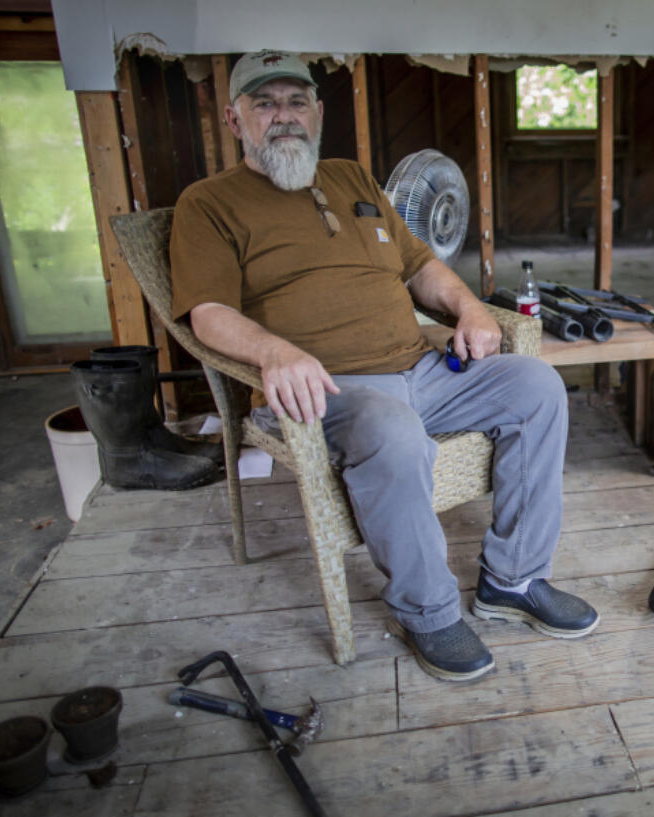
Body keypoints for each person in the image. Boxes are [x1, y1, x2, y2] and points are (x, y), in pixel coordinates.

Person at [169, 50, 598, 681]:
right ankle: (428, 612)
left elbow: (420, 267)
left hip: (424, 368)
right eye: (264, 103)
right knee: (394, 433)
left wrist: (471, 309)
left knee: (536, 384)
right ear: (235, 122)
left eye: (295, 101)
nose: (283, 116)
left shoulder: (353, 180)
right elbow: (206, 314)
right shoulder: (209, 204)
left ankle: (514, 580)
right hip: (331, 388)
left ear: (318, 112)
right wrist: (275, 352)